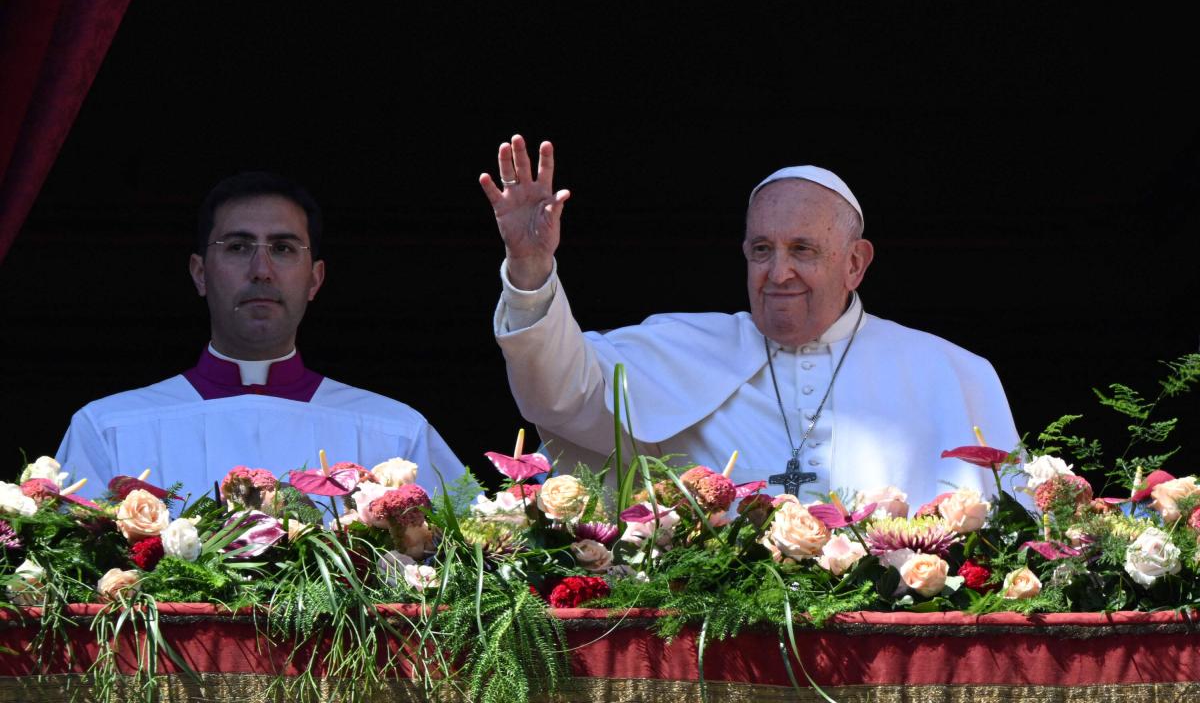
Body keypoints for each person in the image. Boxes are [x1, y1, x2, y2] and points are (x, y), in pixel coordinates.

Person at [481, 135, 1018, 506]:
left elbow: (1014, 541)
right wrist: (531, 269)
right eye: (762, 249)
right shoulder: (683, 347)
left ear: (855, 263)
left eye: (803, 249)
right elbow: (559, 394)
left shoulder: (949, 372)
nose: (778, 272)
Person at [57, 171, 464, 501]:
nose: (262, 269)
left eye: (284, 248)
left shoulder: (394, 432)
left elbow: (486, 556)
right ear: (200, 273)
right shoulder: (109, 428)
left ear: (315, 279)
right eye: (237, 246)